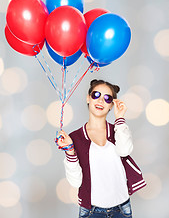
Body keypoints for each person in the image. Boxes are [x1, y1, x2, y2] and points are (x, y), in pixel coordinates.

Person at [57, 79, 146, 218]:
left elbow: (125, 151)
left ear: (111, 105)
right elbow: (76, 182)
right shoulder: (75, 138)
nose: (100, 101)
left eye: (107, 98)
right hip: (91, 212)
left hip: (122, 209)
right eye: (96, 95)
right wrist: (70, 151)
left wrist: (120, 118)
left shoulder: (118, 129)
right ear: (88, 98)